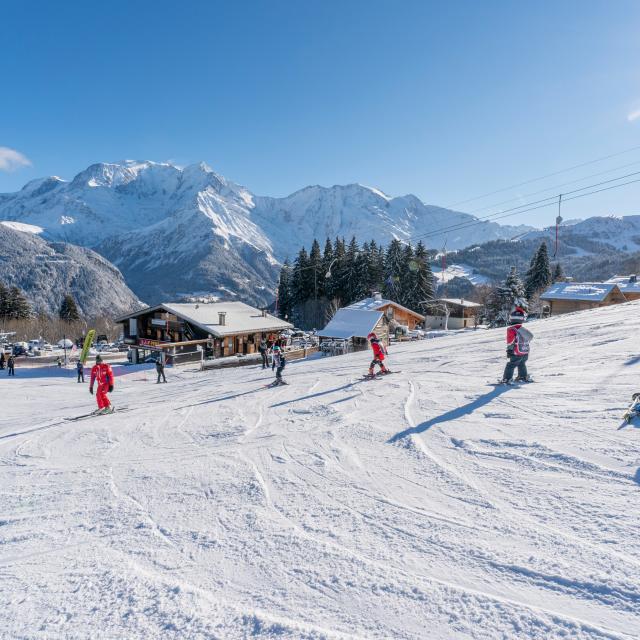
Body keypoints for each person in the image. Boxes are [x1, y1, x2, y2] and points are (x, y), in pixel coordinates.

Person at [500, 306, 531, 384]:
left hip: (516, 352)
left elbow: (510, 341)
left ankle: (507, 379)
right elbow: (530, 337)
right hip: (525, 352)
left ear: (512, 319)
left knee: (511, 365)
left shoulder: (511, 329)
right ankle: (523, 376)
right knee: (521, 364)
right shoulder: (523, 329)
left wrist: (509, 350)